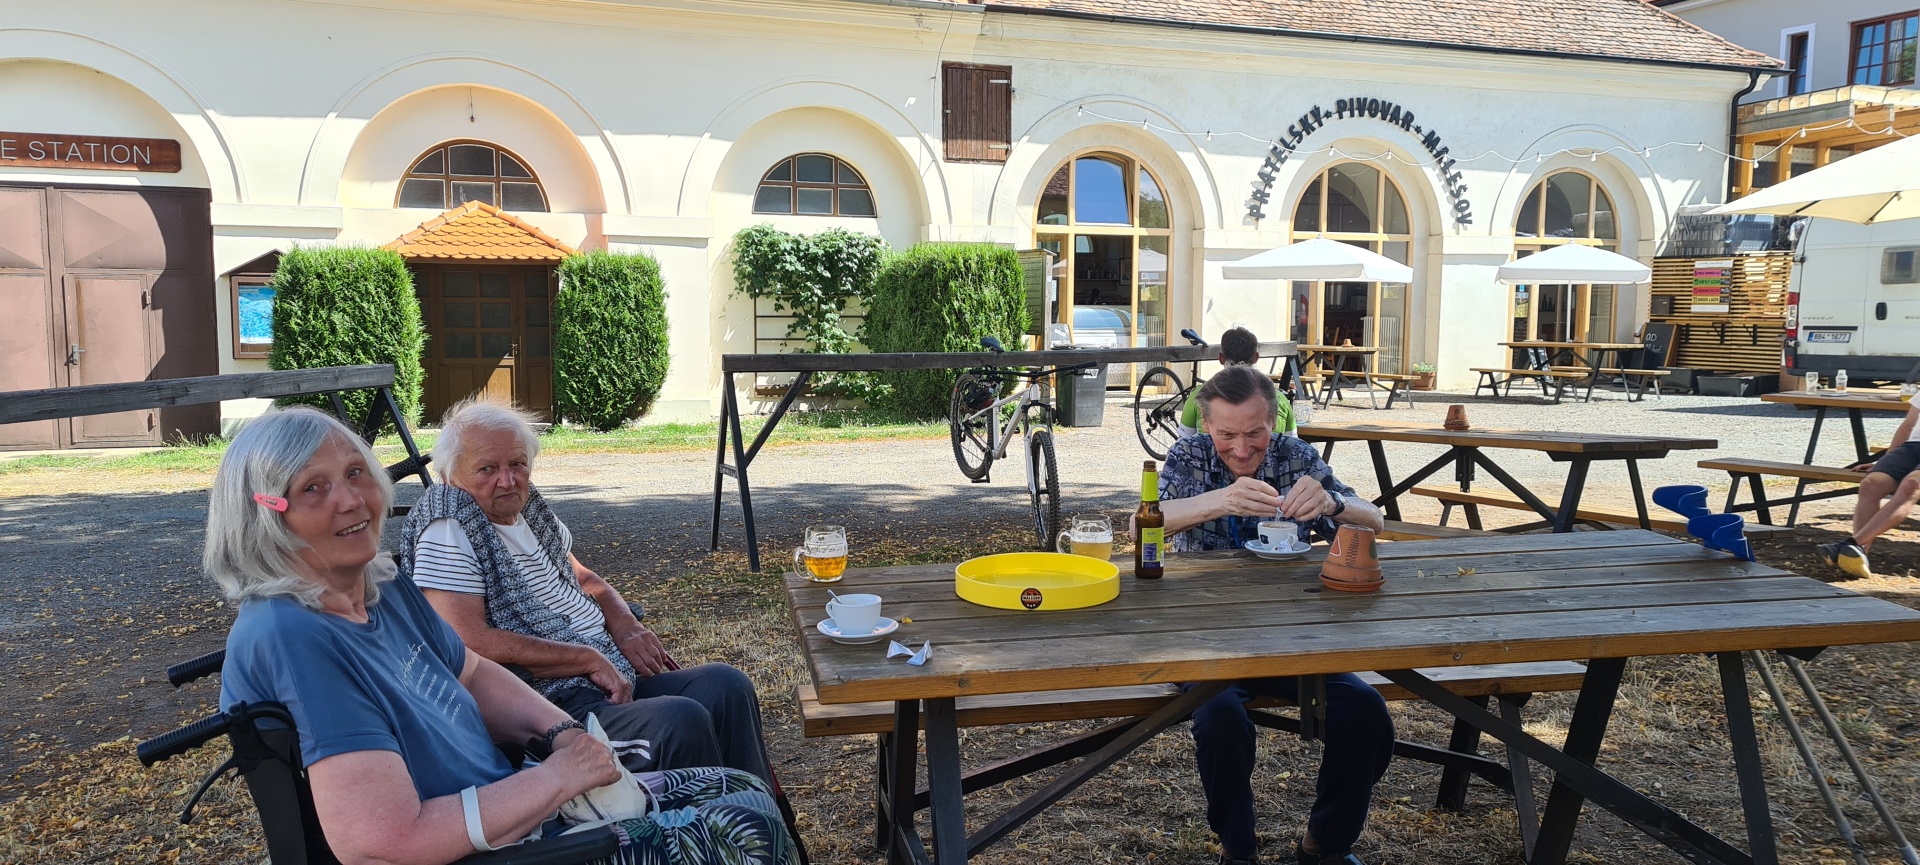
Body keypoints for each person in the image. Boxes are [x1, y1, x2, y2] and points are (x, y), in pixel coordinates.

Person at [210, 407, 794, 865]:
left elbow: (471, 670)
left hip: (519, 809)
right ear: (264, 513)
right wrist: (555, 778)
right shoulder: (294, 634)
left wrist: (562, 733)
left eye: (356, 473)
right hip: (495, 850)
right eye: (313, 488)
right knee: (749, 830)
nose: (351, 499)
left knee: (740, 788)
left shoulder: (381, 587)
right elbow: (384, 842)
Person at [403, 397, 772, 786]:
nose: (508, 480)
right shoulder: (448, 525)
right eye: (487, 469)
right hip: (553, 709)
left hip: (609, 679)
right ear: (449, 475)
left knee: (726, 687)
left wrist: (626, 626)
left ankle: (758, 813)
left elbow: (582, 578)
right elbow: (464, 641)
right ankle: (705, 820)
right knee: (680, 721)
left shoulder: (524, 510)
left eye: (517, 464)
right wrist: (585, 659)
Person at [1158, 364, 1392, 865]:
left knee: (1366, 711)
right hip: (1204, 634)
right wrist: (1218, 501)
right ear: (1206, 424)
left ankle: (1324, 845)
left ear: (1274, 422)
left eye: (1255, 434)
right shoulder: (1188, 455)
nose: (1242, 449)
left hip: (1292, 635)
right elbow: (1145, 524)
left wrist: (1331, 502)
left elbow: (1374, 519)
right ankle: (1238, 851)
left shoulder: (1295, 456)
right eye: (1227, 435)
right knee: (1220, 719)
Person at [1818, 399, 1920, 578]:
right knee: (1871, 484)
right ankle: (1856, 557)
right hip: (1912, 447)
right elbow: (1909, 424)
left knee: (1911, 484)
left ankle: (1852, 545)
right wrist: (1886, 461)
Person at [1178, 326, 1298, 438]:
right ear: (1256, 358)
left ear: (1221, 358)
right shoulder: (1279, 398)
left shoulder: (1199, 396)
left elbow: (1184, 441)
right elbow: (1293, 443)